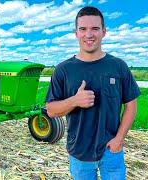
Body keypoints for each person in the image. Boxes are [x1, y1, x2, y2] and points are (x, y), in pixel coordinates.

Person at [45, 6, 140, 180]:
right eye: (83, 29)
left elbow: (131, 105)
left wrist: (119, 140)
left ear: (103, 32)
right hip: (79, 153)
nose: (89, 34)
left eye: (95, 28)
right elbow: (51, 110)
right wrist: (74, 100)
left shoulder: (118, 66)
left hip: (111, 151)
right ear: (76, 33)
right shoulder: (63, 70)